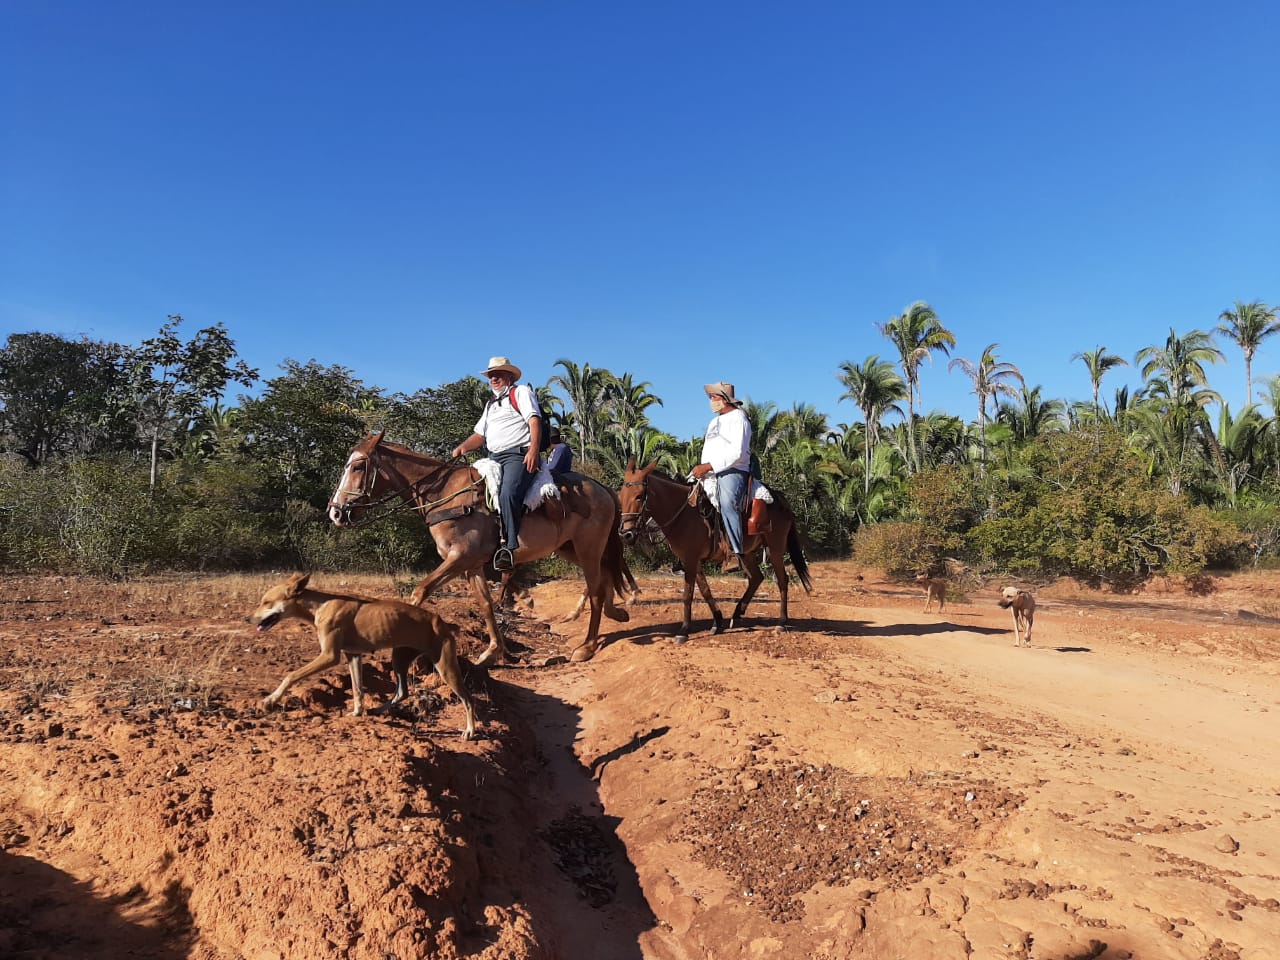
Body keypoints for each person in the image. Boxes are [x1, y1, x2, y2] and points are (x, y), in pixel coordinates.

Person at [450, 356, 542, 571]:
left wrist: (534, 451)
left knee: (507, 493)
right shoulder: (490, 404)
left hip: (518, 455)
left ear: (509, 376)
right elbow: (479, 435)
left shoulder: (520, 393)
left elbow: (534, 420)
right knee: (473, 492)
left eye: (498, 374)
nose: (493, 378)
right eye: (491, 375)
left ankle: (509, 548)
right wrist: (462, 447)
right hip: (493, 458)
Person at [690, 381, 752, 573]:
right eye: (710, 398)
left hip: (733, 470)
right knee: (683, 497)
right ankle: (688, 549)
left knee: (726, 502)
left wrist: (709, 466)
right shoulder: (713, 423)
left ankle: (734, 552)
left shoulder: (739, 418)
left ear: (725, 399)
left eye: (714, 397)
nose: (711, 401)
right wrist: (701, 470)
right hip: (709, 471)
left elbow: (737, 452)